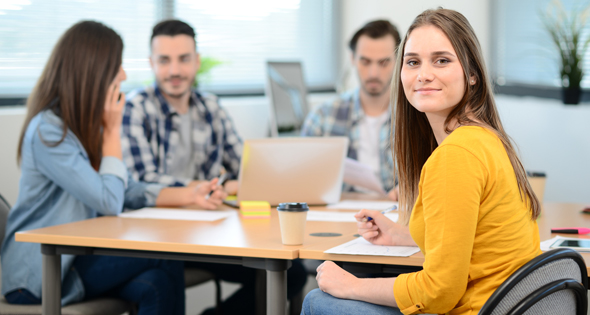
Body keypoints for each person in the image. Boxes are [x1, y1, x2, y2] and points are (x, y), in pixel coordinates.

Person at [301, 8, 542, 315]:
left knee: (317, 301)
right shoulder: (485, 139)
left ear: (472, 75)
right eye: (413, 62)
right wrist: (401, 236)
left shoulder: (456, 156)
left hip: (475, 309)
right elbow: (467, 237)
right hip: (501, 306)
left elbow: (439, 291)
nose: (423, 74)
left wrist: (351, 285)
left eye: (441, 60)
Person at [1, 21, 227, 315]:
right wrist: (111, 132)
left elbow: (127, 189)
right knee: (165, 253)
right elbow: (110, 200)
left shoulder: (85, 122)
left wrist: (189, 194)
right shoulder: (49, 132)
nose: (123, 74)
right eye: (116, 65)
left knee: (156, 282)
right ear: (92, 70)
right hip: (38, 275)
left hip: (77, 260)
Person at [121, 19, 307, 315]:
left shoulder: (210, 107)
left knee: (290, 272)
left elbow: (246, 170)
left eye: (183, 59)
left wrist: (227, 184)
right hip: (158, 239)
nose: (175, 71)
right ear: (151, 63)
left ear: (196, 61)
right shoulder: (136, 108)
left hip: (208, 233)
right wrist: (208, 187)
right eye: (164, 60)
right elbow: (142, 181)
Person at [301, 20, 401, 200]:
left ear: (399, 60)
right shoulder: (323, 116)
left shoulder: (418, 117)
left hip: (396, 215)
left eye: (384, 63)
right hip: (340, 213)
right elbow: (301, 177)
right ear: (352, 59)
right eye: (365, 61)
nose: (373, 73)